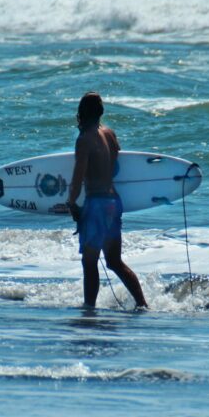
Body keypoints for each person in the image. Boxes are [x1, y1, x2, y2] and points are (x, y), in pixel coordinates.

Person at [66, 92, 148, 310]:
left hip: (97, 205)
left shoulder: (84, 139)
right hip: (113, 202)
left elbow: (78, 174)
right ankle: (142, 304)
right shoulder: (110, 134)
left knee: (89, 262)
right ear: (100, 112)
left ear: (81, 113)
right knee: (114, 261)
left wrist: (72, 202)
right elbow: (117, 160)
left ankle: (89, 310)